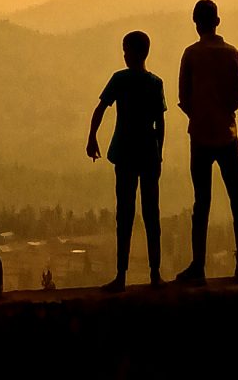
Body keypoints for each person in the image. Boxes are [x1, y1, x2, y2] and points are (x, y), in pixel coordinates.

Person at [175, 0, 238, 284]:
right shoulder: (231, 53)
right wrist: (222, 112)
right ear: (217, 21)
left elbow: (183, 97)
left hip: (201, 136)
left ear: (196, 24)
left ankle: (198, 267)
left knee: (201, 202)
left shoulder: (191, 55)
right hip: (228, 134)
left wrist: (200, 113)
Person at [86, 29, 166, 289]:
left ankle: (121, 275)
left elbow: (100, 109)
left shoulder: (120, 79)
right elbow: (160, 123)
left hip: (125, 151)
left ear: (131, 53)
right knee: (151, 213)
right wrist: (159, 153)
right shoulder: (155, 83)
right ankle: (155, 273)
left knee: (125, 214)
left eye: (125, 49)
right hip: (148, 153)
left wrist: (92, 137)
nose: (123, 54)